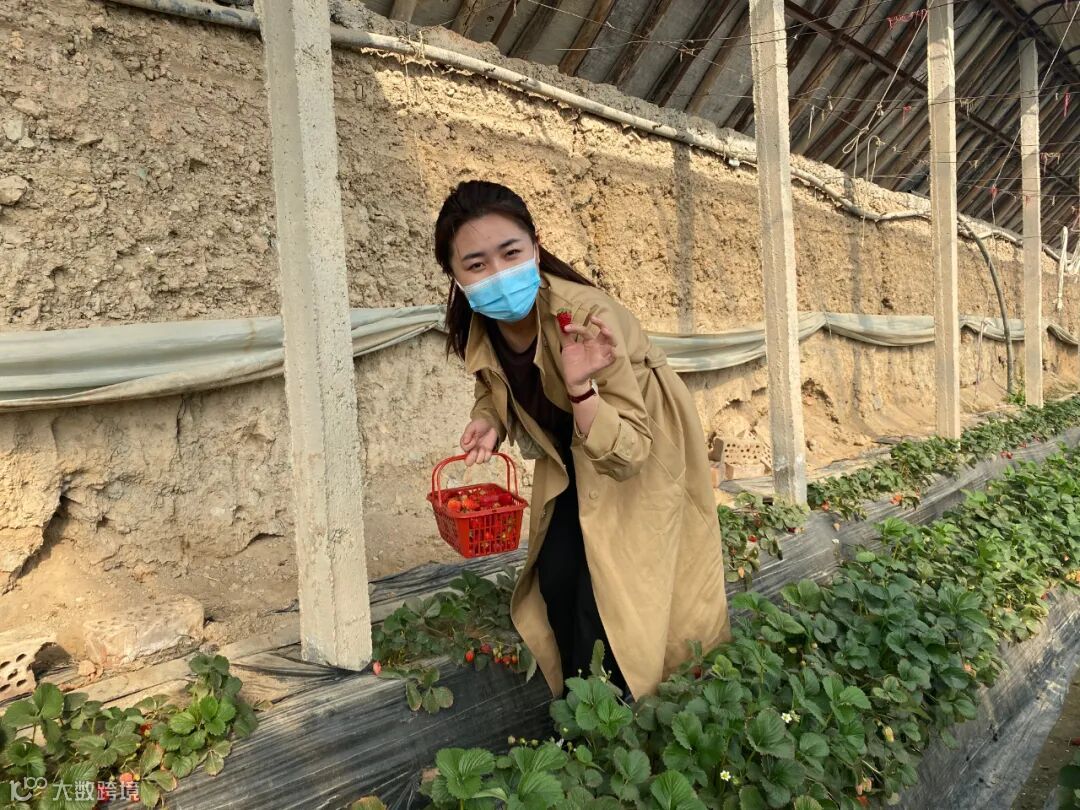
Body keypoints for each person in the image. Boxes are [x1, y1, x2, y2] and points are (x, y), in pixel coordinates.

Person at [434, 180, 730, 701]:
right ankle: (578, 707)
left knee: (615, 593)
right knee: (556, 576)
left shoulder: (586, 320)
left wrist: (580, 389)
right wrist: (492, 421)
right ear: (456, 277)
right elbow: (496, 383)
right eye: (477, 264)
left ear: (536, 245)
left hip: (636, 443)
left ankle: (623, 714)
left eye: (510, 253)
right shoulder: (483, 323)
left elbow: (630, 451)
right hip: (573, 453)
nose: (498, 274)